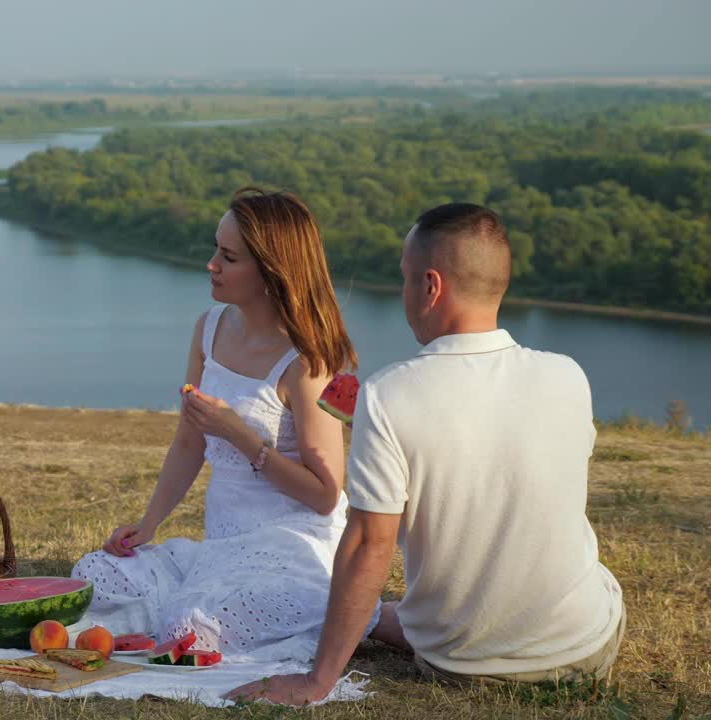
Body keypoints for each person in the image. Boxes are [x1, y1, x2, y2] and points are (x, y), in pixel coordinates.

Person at [227, 203, 624, 705]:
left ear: (431, 287)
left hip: (459, 662)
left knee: (381, 609)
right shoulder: (568, 375)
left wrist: (316, 681)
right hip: (584, 649)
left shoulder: (389, 395)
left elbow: (371, 545)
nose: (403, 295)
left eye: (405, 279)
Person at [72, 188, 386, 662]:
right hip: (222, 545)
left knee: (190, 626)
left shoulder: (306, 362)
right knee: (94, 572)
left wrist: (241, 436)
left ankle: (364, 613)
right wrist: (148, 524)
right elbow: (187, 442)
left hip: (291, 541)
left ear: (270, 272)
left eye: (229, 256)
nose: (211, 264)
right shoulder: (209, 328)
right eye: (216, 249)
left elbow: (325, 494)